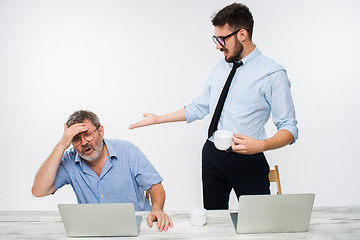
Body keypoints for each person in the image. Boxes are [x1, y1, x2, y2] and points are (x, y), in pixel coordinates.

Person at [129, 3, 298, 210]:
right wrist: (158, 119)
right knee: (214, 220)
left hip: (248, 158)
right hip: (212, 155)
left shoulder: (273, 74)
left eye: (222, 39)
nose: (218, 46)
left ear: (242, 34)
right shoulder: (221, 66)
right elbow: (199, 107)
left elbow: (289, 129)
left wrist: (261, 145)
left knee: (257, 221)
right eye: (216, 39)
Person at [32, 110, 173, 232]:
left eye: (87, 134)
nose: (83, 142)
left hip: (139, 228)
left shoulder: (127, 151)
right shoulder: (69, 160)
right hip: (95, 231)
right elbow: (39, 191)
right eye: (76, 138)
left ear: (101, 131)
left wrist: (157, 209)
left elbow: (155, 186)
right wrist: (62, 144)